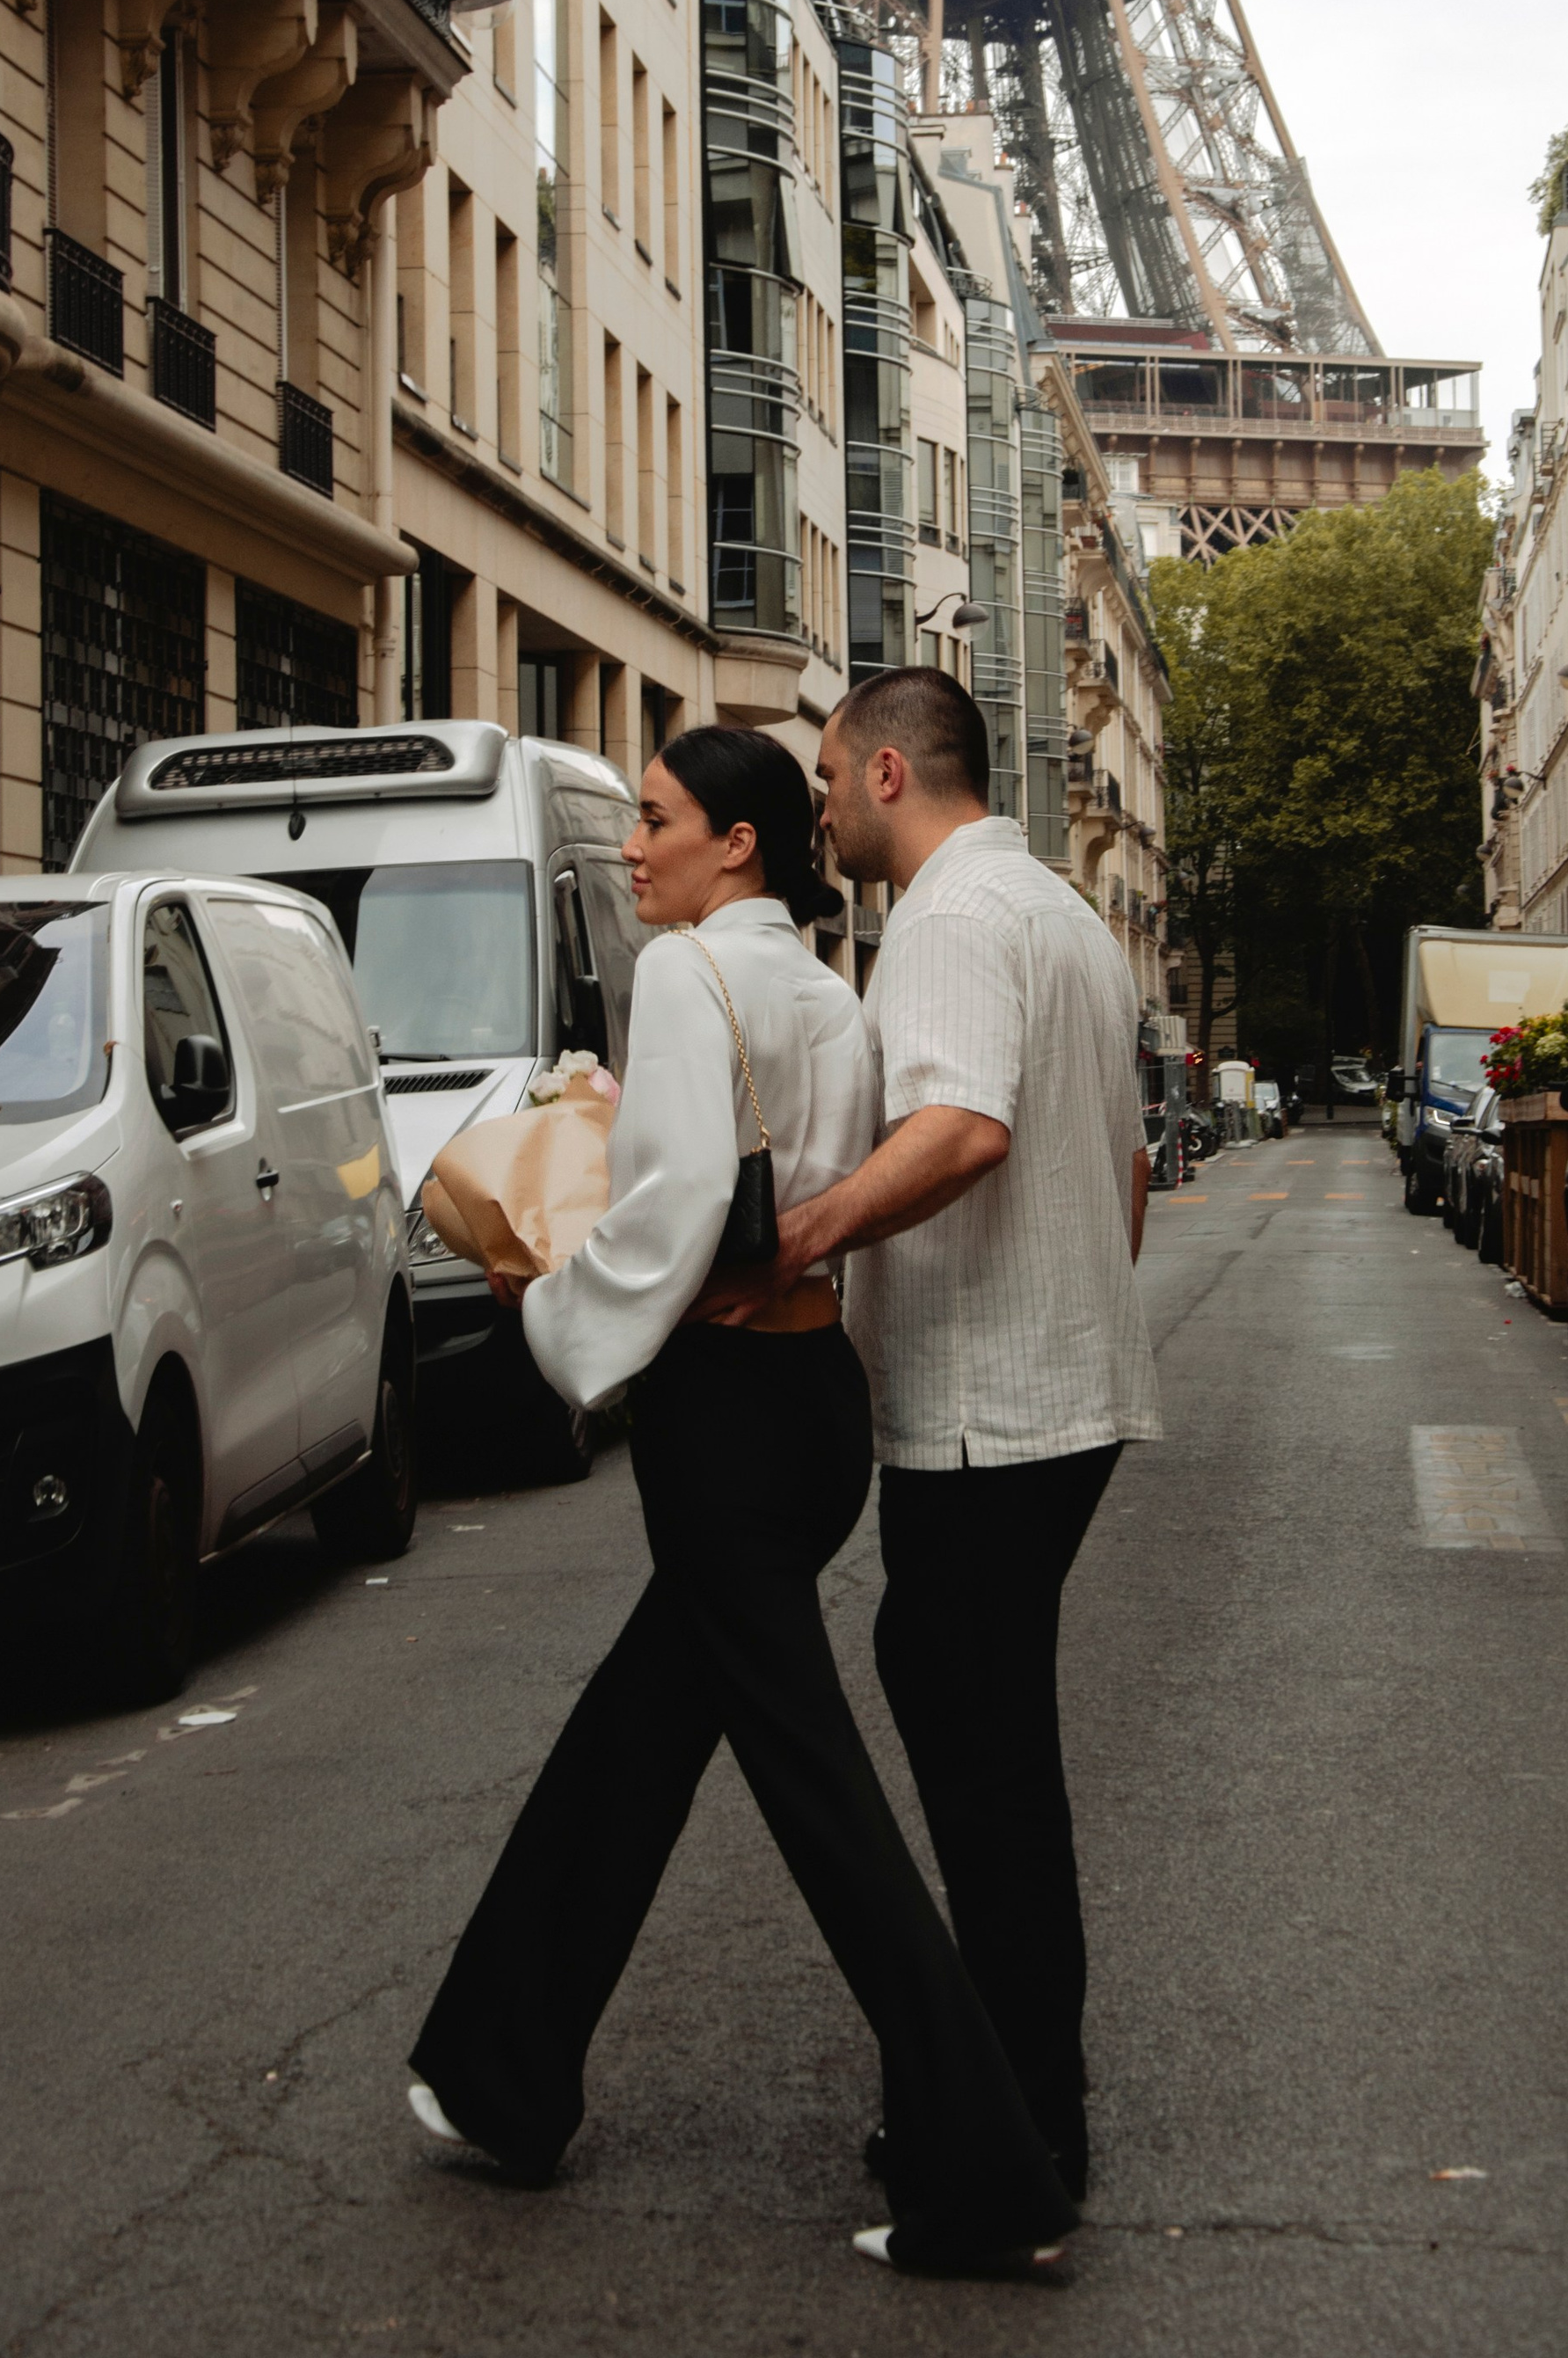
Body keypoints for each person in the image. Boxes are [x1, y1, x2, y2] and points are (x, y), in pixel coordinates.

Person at [405, 722, 1074, 2280]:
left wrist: (552, 1317)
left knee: (815, 1795)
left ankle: (985, 2173)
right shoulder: (830, 994)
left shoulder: (688, 977)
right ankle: (503, 2068)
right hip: (816, 1406)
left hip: (720, 1423)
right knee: (635, 1740)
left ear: (738, 846)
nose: (633, 848)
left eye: (655, 821)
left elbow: (683, 1210)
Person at [713, 668, 1159, 2204]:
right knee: (988, 1743)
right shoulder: (1061, 918)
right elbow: (1129, 1171)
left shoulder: (955, 926)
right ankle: (1016, 2093)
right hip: (1057, 1391)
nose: (820, 805)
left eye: (832, 776)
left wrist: (804, 1238)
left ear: (891, 771)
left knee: (984, 1771)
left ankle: (1018, 2126)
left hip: (988, 1412)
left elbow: (964, 1129)